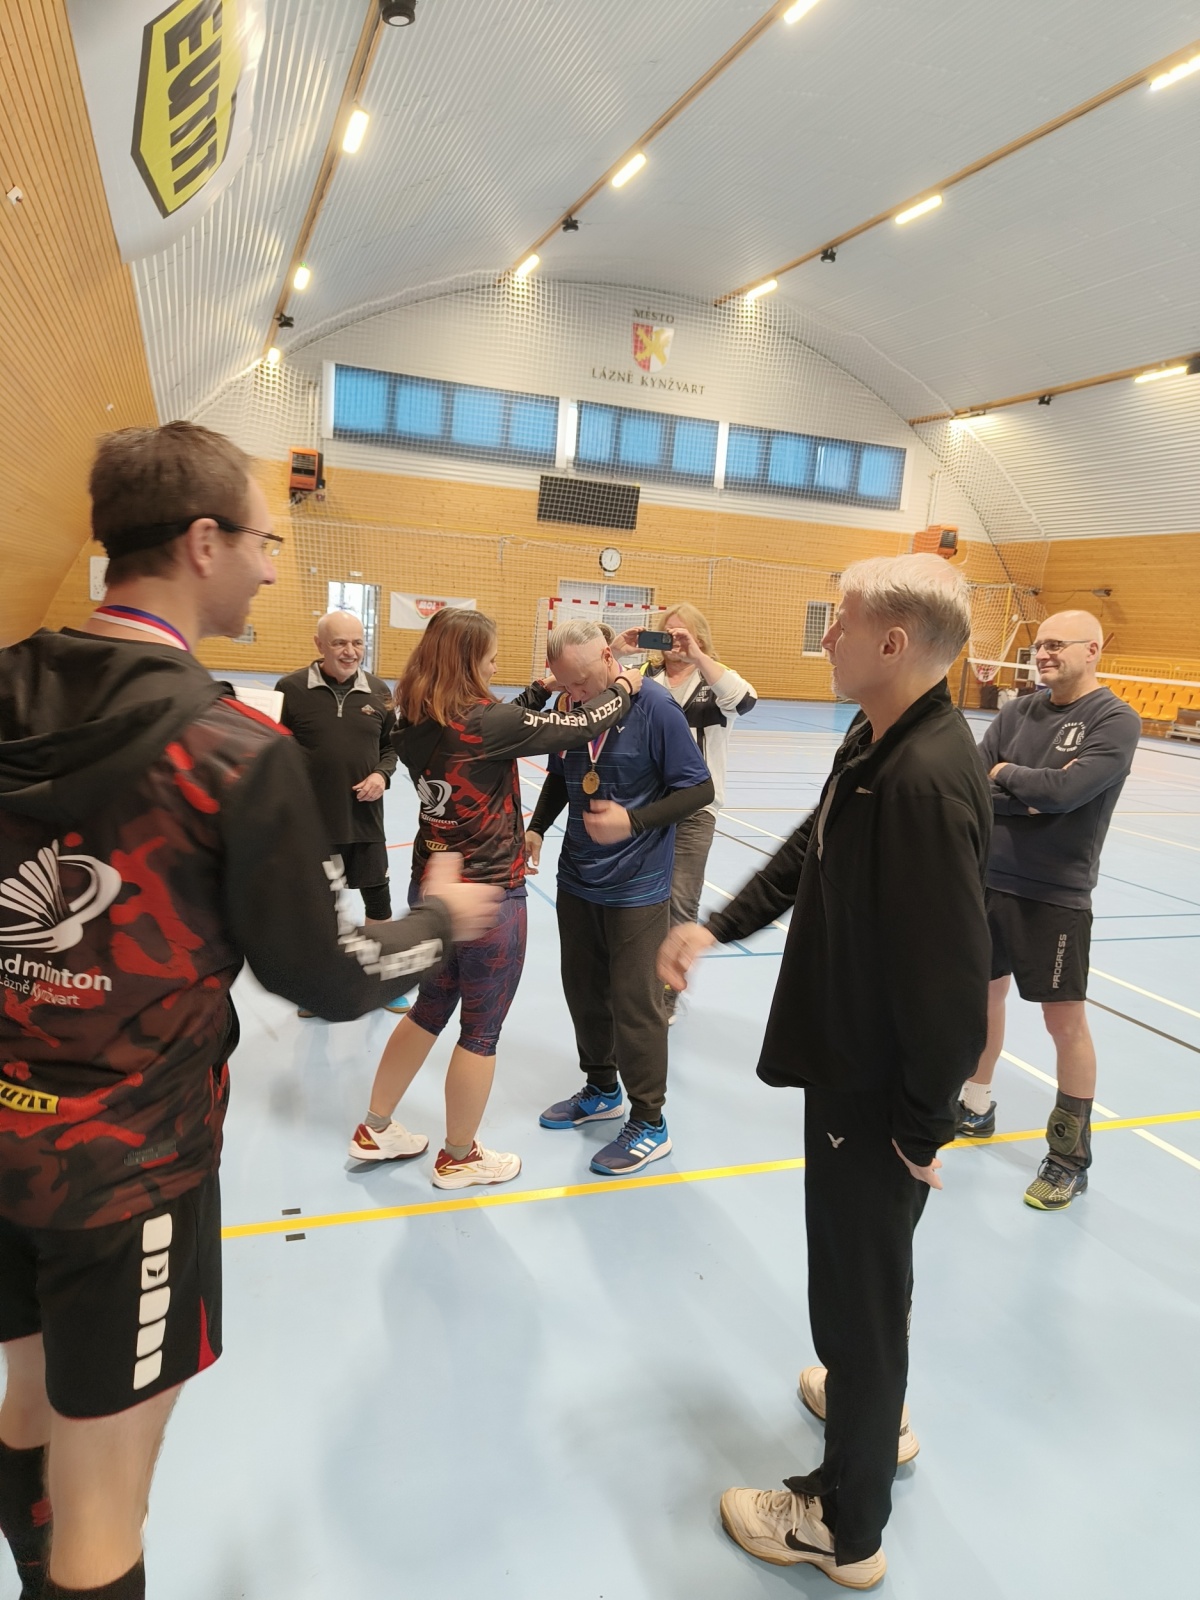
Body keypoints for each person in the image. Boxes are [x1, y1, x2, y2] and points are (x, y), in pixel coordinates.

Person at [0, 423, 498, 1600]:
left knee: (26, 1399)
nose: (274, 569)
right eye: (266, 543)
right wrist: (438, 920)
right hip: (128, 1170)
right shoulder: (229, 748)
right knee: (104, 1500)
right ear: (202, 541)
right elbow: (323, 973)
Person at [659, 555, 990, 1586]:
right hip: (850, 1064)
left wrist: (921, 1129)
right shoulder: (876, 738)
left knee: (860, 1294)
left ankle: (845, 1526)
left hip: (877, 1092)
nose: (827, 637)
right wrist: (718, 925)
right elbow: (816, 844)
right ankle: (865, 1403)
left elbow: (952, 983)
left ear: (893, 642)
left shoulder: (924, 780)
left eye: (840, 622)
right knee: (862, 1286)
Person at [348, 607, 646, 1189]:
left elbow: (509, 717)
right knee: (480, 1032)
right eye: (487, 657)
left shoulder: (415, 717)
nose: (493, 666)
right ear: (467, 663)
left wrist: (546, 685)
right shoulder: (487, 722)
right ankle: (459, 1156)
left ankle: (375, 1125)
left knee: (429, 1007)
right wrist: (624, 687)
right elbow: (578, 726)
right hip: (488, 898)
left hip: (432, 887)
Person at [955, 610, 1140, 1210]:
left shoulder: (1114, 719)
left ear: (1093, 650)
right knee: (983, 999)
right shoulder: (1016, 712)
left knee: (1064, 1024)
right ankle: (975, 1105)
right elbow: (971, 784)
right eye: (1039, 645)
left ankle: (1068, 1159)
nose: (1043, 654)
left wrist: (1008, 776)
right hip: (987, 882)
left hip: (1055, 895)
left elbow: (1064, 794)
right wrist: (1026, 792)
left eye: (1057, 644)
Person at [526, 619, 713, 1176]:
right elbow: (562, 774)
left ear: (609, 658)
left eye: (582, 683)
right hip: (577, 878)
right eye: (565, 685)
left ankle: (650, 1121)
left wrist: (633, 821)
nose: (575, 695)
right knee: (584, 993)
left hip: (638, 885)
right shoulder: (571, 705)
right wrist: (537, 827)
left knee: (636, 1005)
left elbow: (698, 788)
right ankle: (602, 1089)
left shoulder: (656, 708)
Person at [614, 603, 757, 1020]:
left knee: (680, 899)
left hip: (696, 810)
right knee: (638, 896)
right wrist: (617, 651)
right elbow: (598, 687)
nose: (673, 642)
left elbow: (745, 701)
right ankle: (638, 978)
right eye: (667, 634)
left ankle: (667, 992)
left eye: (683, 635)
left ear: (699, 638)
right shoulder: (645, 677)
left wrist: (697, 655)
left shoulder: (715, 680)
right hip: (648, 806)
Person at [276, 612, 405, 1016]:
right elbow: (271, 746)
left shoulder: (379, 691)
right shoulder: (290, 689)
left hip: (365, 820)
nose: (350, 652)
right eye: (339, 643)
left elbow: (390, 747)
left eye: (357, 642)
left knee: (378, 899)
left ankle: (382, 981)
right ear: (320, 645)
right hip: (311, 825)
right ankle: (320, 986)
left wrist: (382, 776)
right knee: (317, 908)